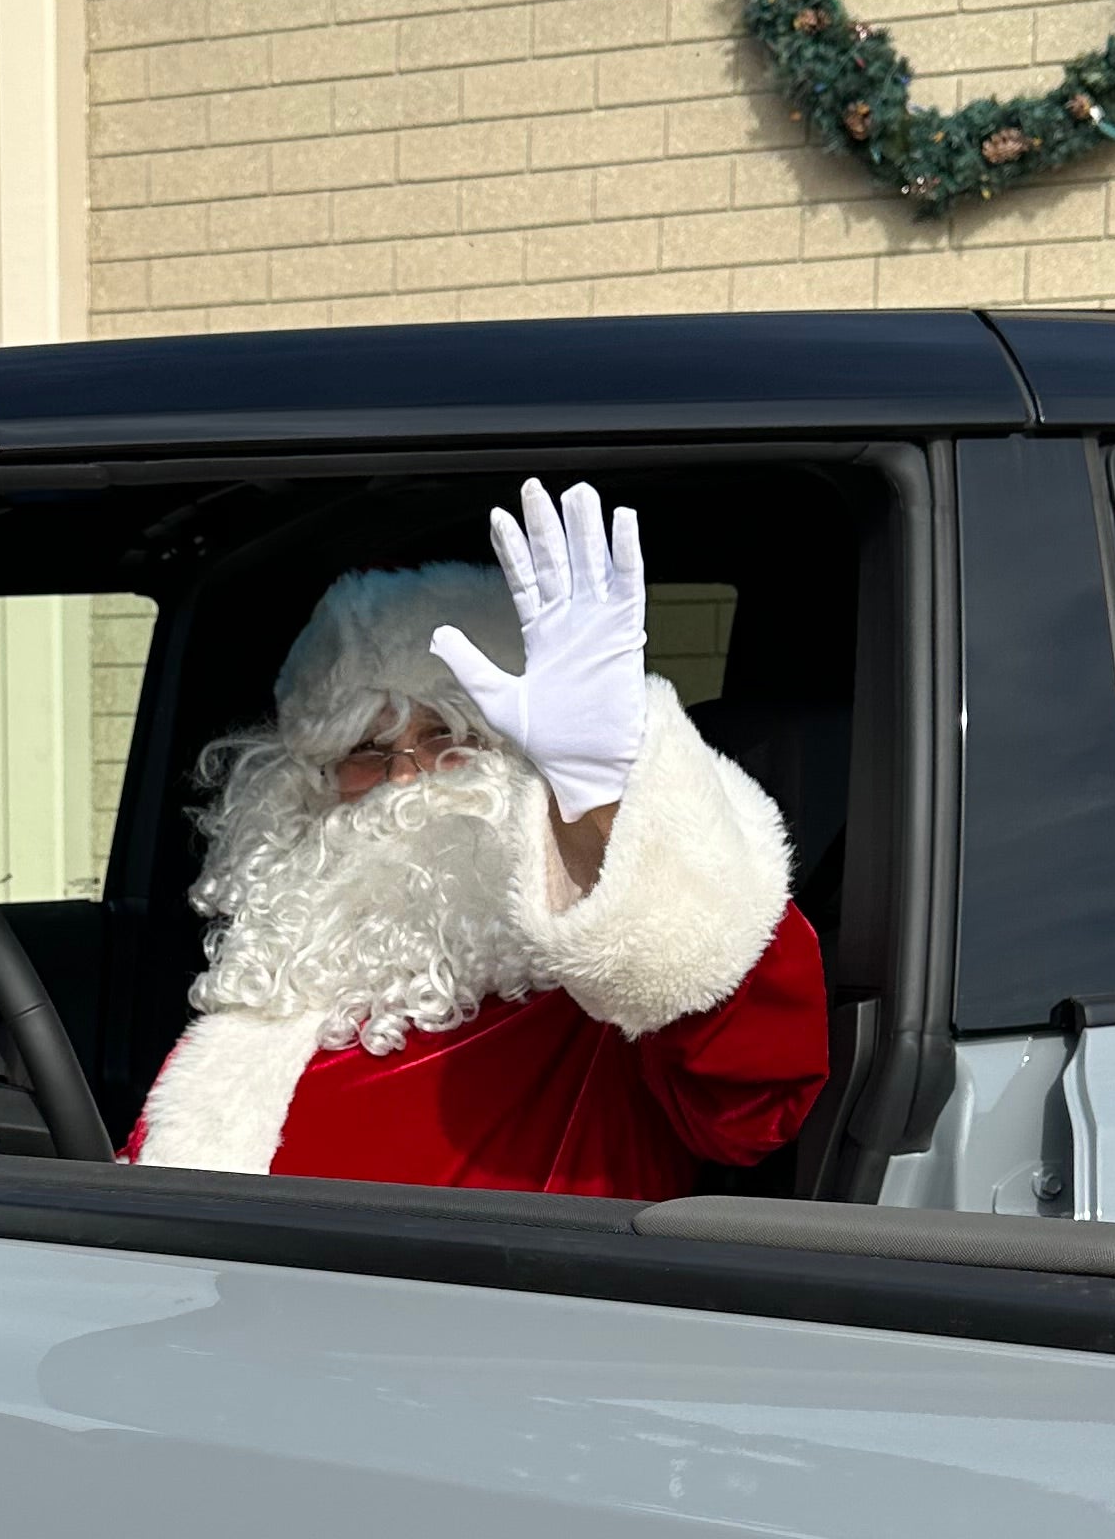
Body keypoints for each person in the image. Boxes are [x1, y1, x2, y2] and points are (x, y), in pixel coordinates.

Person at [130, 482, 827, 1196]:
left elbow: (755, 1104)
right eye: (366, 750)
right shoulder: (275, 993)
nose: (405, 780)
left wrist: (603, 796)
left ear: (519, 756)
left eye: (449, 738)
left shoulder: (599, 999)